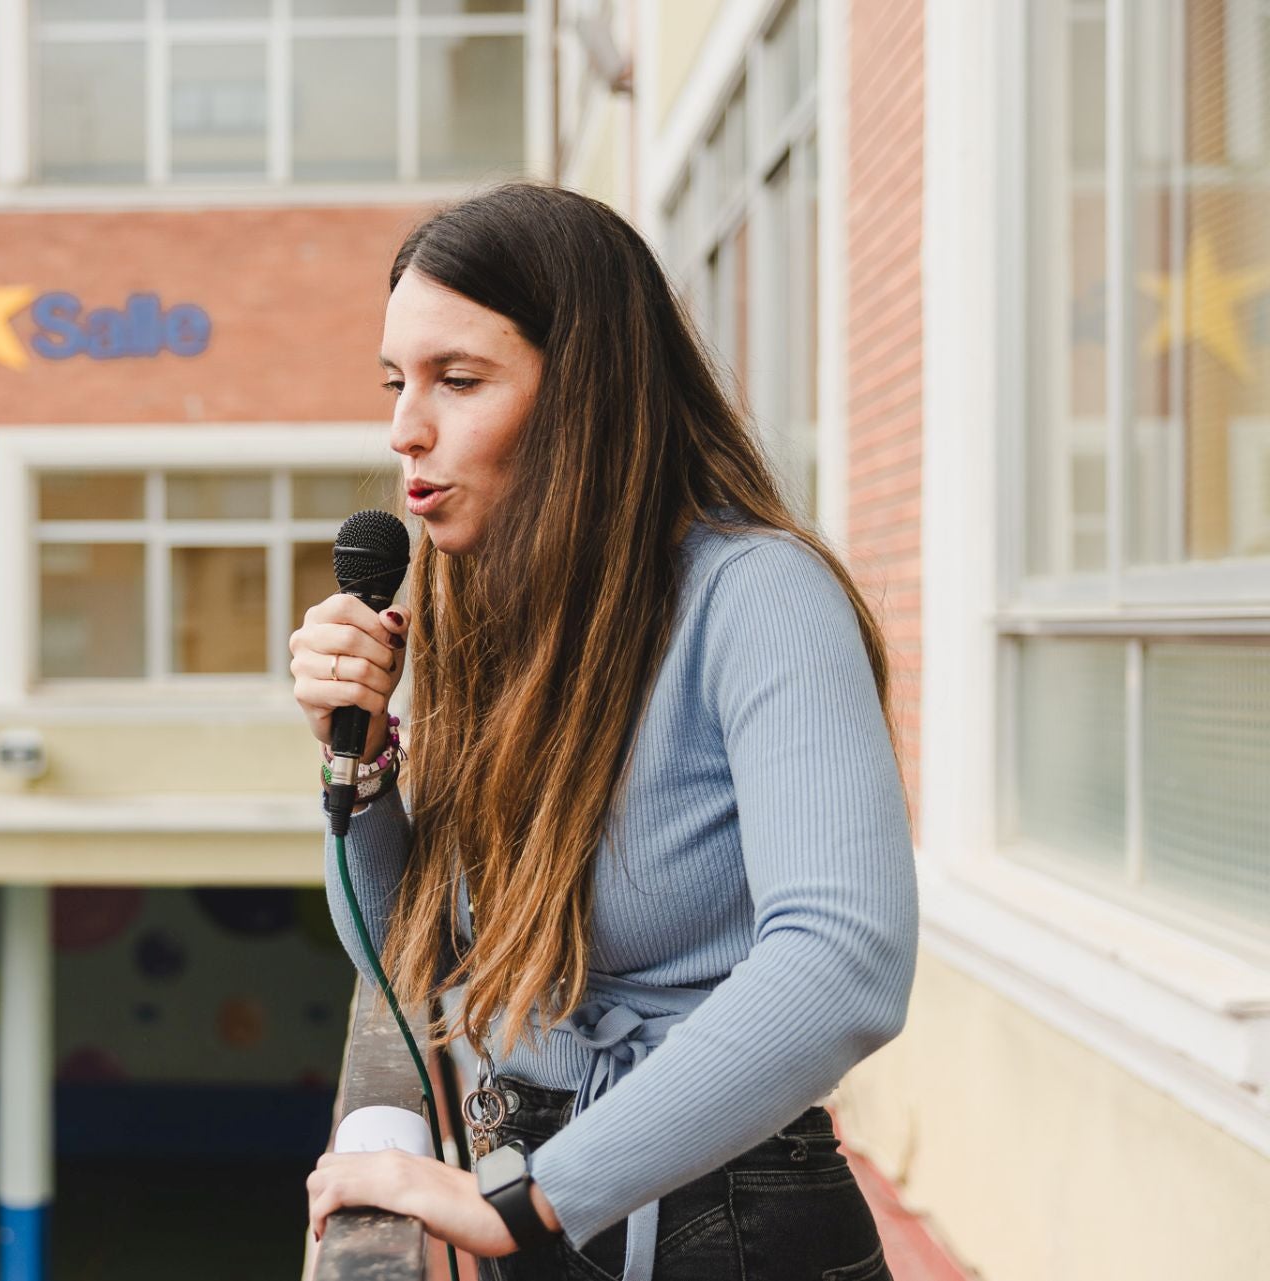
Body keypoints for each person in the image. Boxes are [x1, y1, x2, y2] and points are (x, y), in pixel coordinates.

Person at [294, 182, 918, 1281]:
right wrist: (366, 758)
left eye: (459, 380)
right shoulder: (499, 618)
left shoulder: (758, 595)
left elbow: (844, 956)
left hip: (717, 1227)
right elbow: (415, 961)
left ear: (588, 392)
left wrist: (529, 1198)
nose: (405, 429)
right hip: (548, 1204)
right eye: (397, 382)